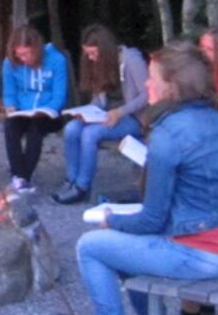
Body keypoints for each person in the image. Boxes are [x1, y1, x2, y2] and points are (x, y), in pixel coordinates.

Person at [75, 47, 218, 315]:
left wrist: (110, 218)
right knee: (125, 246)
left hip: (203, 255)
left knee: (90, 246)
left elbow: (151, 221)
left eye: (153, 78)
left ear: (171, 86)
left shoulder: (168, 134)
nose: (148, 85)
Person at [53, 24, 148, 204]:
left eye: (93, 53)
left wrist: (121, 112)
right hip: (107, 114)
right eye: (88, 54)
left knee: (91, 133)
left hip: (133, 117)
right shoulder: (96, 64)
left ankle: (82, 186)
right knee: (72, 128)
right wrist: (87, 112)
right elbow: (99, 100)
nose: (91, 58)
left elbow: (147, 94)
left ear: (105, 50)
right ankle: (71, 179)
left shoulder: (131, 60)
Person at [0, 25, 68, 194]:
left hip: (49, 113)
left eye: (27, 54)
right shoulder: (9, 63)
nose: (23, 58)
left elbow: (59, 95)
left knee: (35, 129)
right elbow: (9, 92)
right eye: (19, 54)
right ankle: (18, 177)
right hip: (23, 111)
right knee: (10, 126)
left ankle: (24, 176)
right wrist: (10, 107)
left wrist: (47, 110)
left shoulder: (57, 60)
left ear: (36, 49)